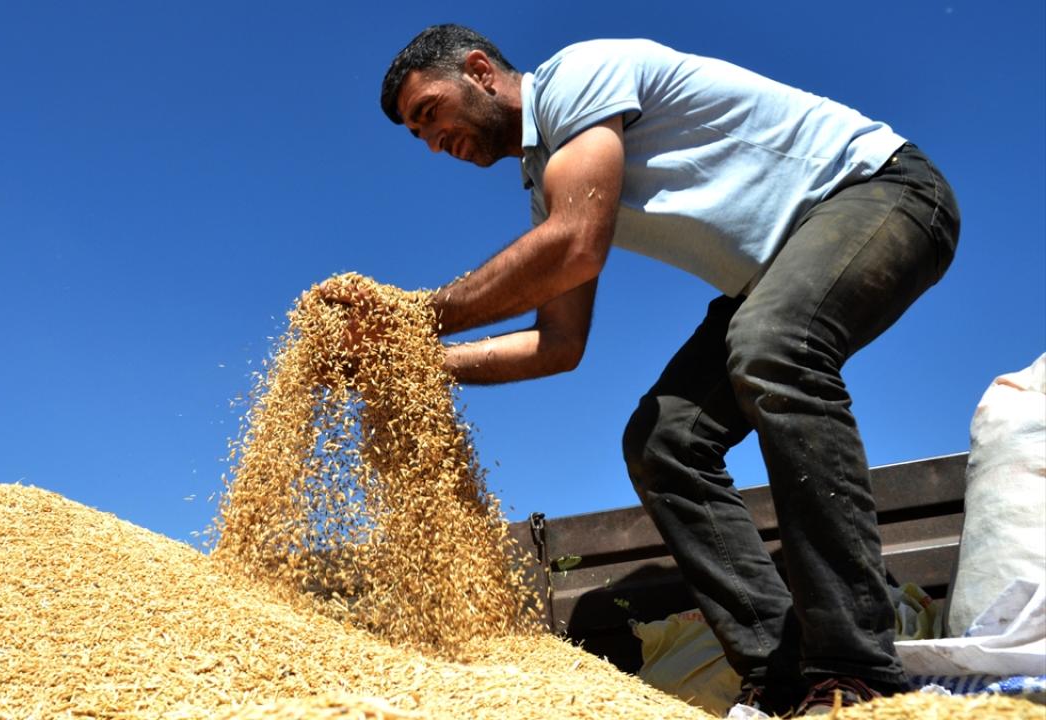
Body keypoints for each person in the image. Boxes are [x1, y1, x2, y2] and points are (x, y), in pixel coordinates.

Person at [325, 24, 960, 715]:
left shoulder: (575, 77)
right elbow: (557, 345)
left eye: (430, 113)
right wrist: (406, 358)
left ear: (479, 71)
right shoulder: (548, 184)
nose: (433, 142)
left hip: (878, 192)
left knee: (773, 346)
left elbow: (576, 246)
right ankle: (779, 675)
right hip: (772, 276)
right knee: (665, 443)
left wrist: (410, 318)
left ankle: (854, 666)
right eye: (418, 135)